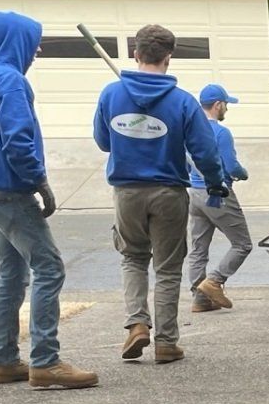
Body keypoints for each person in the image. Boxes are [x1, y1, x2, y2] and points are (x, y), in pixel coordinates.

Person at [0, 11, 98, 390]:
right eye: (34, 42)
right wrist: (39, 182)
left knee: (12, 276)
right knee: (50, 268)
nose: (37, 50)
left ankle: (3, 361)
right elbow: (18, 140)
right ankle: (46, 361)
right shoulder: (12, 83)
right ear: (18, 41)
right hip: (12, 193)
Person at [92, 24, 227, 364]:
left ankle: (137, 323)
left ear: (136, 54)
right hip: (168, 192)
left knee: (134, 258)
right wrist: (215, 181)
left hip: (126, 192)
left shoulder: (111, 94)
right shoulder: (182, 102)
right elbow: (205, 151)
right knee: (167, 268)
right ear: (169, 57)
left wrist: (132, 134)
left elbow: (104, 141)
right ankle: (166, 342)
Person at [186, 83, 255, 314]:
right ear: (217, 105)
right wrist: (243, 174)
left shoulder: (189, 130)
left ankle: (200, 299)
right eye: (226, 104)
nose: (226, 108)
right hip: (217, 193)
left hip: (194, 194)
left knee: (198, 248)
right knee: (242, 244)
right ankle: (214, 281)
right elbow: (231, 165)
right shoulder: (220, 132)